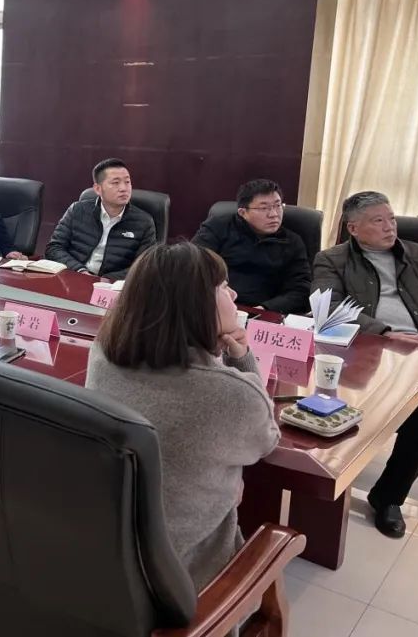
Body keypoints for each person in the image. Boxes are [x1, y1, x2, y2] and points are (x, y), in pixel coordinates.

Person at [86, 242, 279, 591]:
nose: (234, 294)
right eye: (223, 287)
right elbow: (267, 437)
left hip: (104, 554)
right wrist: (243, 359)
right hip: (185, 580)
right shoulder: (230, 395)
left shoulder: (102, 355)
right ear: (196, 305)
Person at [312, 191, 418, 538]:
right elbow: (327, 310)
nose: (390, 227)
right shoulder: (331, 259)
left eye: (391, 218)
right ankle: (327, 474)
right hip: (367, 352)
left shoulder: (417, 254)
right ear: (353, 228)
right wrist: (385, 333)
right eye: (379, 221)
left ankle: (388, 497)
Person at [192, 179, 311, 313]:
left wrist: (265, 309)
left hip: (265, 313)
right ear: (243, 212)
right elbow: (193, 263)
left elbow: (300, 289)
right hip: (216, 305)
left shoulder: (292, 242)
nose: (274, 214)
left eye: (278, 206)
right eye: (264, 208)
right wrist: (219, 295)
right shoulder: (218, 227)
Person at [45, 158, 156, 278]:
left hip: (113, 285)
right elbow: (54, 248)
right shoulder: (77, 210)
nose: (123, 188)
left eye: (127, 182)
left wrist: (105, 280)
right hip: (74, 277)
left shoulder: (144, 222)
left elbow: (145, 266)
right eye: (115, 183)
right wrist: (80, 270)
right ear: (98, 189)